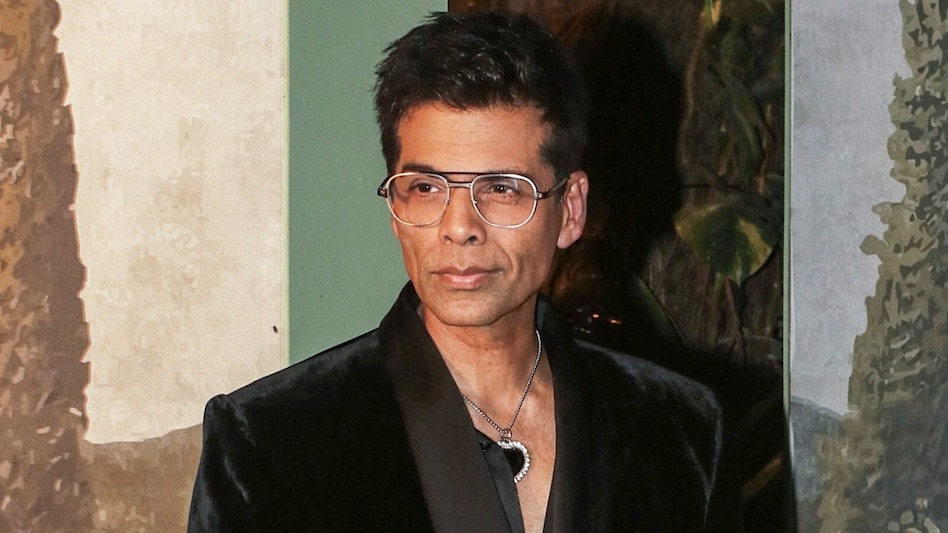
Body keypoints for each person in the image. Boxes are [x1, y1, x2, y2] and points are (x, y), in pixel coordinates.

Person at [188, 10, 722, 532]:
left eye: (502, 188)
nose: (459, 227)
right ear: (394, 208)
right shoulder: (269, 443)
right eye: (425, 188)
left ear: (571, 209)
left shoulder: (679, 431)